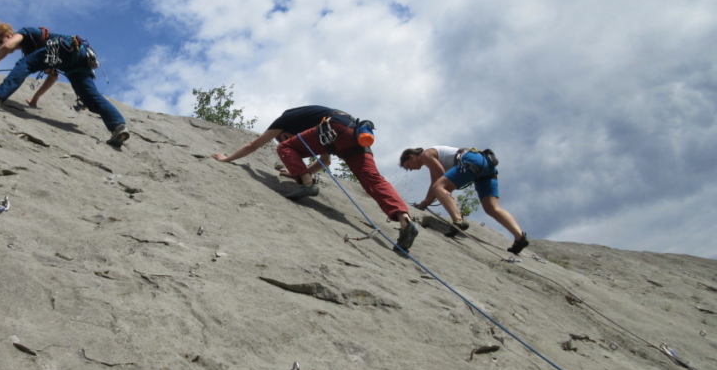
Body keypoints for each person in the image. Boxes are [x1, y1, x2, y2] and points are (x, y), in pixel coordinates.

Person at [213, 105, 420, 253]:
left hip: (336, 128)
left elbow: (254, 145)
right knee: (373, 180)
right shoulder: (314, 124)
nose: (288, 139)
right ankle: (405, 221)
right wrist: (300, 171)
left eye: (285, 135)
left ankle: (307, 186)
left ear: (285, 131)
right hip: (354, 134)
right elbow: (325, 162)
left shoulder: (285, 119)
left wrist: (227, 158)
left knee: (284, 148)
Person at [0, 21, 130, 147]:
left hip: (63, 48)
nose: (1, 46)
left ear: (8, 36)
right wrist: (35, 98)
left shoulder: (24, 32)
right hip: (78, 59)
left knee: (24, 64)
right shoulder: (33, 51)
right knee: (89, 97)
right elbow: (53, 76)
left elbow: (7, 48)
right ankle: (118, 126)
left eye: (0, 42)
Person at [399, 146, 529, 254]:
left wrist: (428, 201)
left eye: (408, 165)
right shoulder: (431, 159)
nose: (410, 169)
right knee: (492, 208)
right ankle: (520, 237)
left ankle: (458, 221)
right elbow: (435, 185)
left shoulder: (426, 155)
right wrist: (425, 203)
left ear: (411, 156)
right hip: (486, 165)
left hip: (472, 161)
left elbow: (440, 179)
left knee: (439, 187)